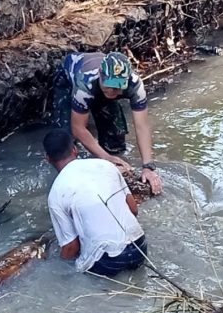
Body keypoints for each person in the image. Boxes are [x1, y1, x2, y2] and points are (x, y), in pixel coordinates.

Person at [51, 51, 163, 195]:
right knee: (64, 139)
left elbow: (142, 126)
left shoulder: (134, 85)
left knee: (115, 139)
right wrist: (106, 157)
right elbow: (77, 128)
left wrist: (148, 166)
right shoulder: (85, 84)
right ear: (100, 75)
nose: (112, 90)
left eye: (117, 87)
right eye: (109, 85)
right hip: (68, 79)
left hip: (98, 89)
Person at [43, 129, 148, 276]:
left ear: (47, 158)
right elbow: (133, 209)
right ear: (75, 149)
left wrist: (59, 273)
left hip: (107, 262)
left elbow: (71, 248)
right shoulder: (105, 165)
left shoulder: (56, 193)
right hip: (140, 247)